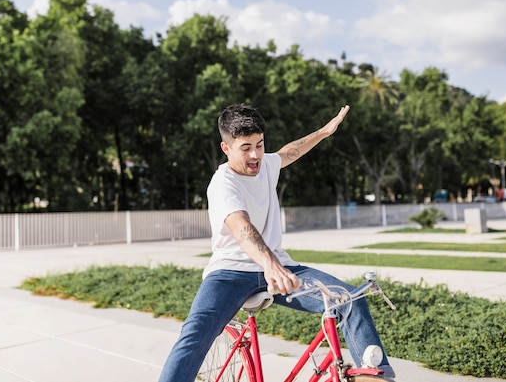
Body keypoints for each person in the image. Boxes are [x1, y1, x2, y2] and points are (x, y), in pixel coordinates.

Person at [158, 103, 395, 381]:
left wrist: (324, 132)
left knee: (349, 299)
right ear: (226, 149)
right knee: (194, 333)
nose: (255, 155)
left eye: (260, 144)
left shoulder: (266, 163)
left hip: (280, 267)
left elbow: (289, 151)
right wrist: (270, 265)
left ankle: (378, 378)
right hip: (231, 272)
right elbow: (242, 228)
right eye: (245, 147)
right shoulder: (223, 183)